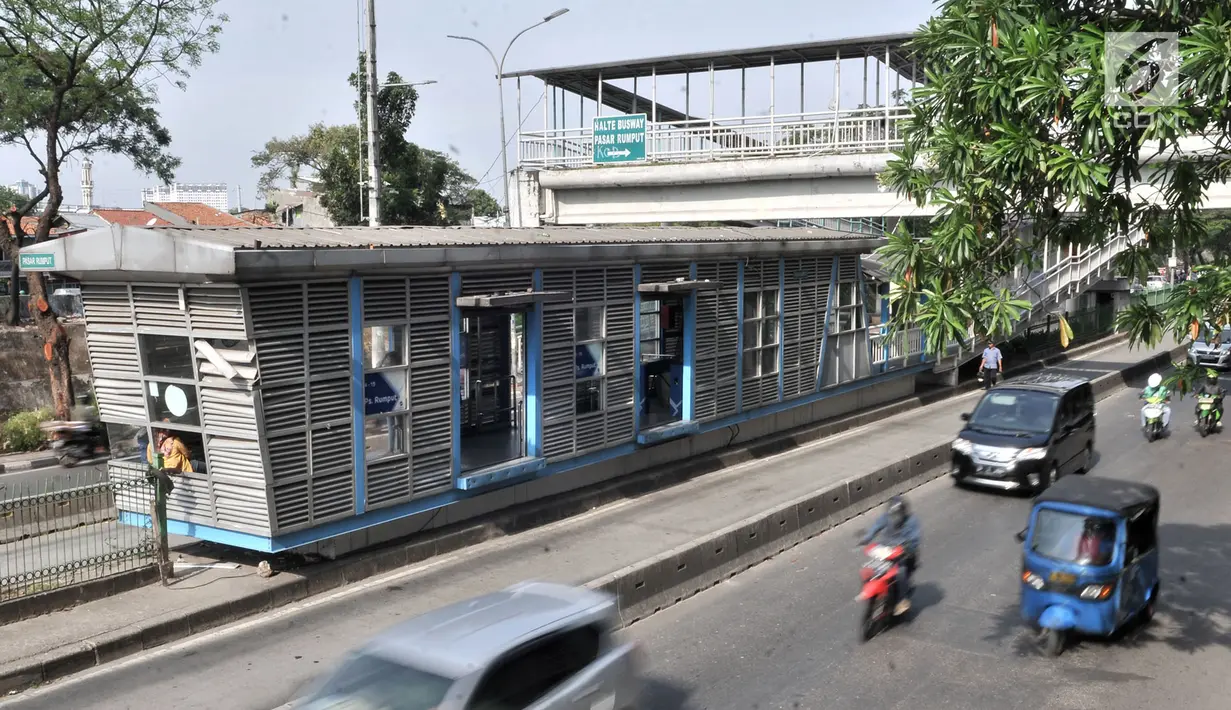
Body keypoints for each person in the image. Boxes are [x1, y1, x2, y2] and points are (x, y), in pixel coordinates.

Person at [858, 495, 921, 616]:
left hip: (903, 553)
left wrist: (907, 548)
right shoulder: (887, 516)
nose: (894, 518)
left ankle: (902, 600)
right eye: (892, 515)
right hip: (885, 549)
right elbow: (876, 526)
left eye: (897, 515)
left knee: (900, 572)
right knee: (869, 569)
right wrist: (867, 538)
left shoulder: (912, 521)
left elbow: (915, 540)